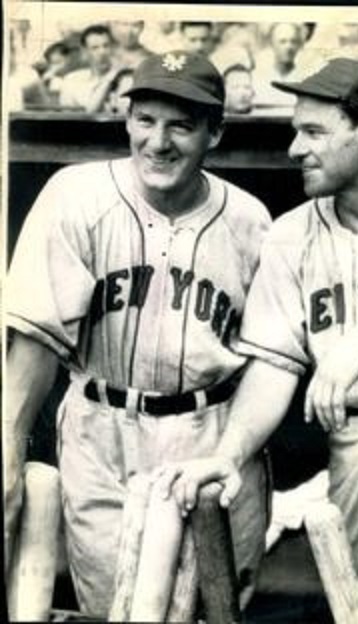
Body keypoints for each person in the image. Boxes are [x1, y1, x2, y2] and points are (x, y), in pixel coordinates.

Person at [157, 57, 358, 623]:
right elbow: (274, 365)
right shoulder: (293, 234)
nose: (295, 148)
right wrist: (227, 455)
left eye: (314, 131)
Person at [4, 51, 271, 618]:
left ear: (215, 133)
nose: (158, 141)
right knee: (116, 606)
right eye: (145, 120)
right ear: (126, 121)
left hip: (211, 431)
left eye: (181, 124)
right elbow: (34, 341)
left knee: (217, 612)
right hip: (105, 435)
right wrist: (8, 444)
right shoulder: (74, 196)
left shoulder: (251, 222)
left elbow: (273, 361)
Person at [59, 24, 122, 113]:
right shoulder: (71, 80)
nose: (102, 52)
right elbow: (68, 118)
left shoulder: (125, 79)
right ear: (85, 51)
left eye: (106, 46)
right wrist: (110, 78)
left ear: (113, 48)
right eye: (95, 48)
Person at [252, 22, 305, 107]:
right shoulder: (257, 79)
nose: (289, 47)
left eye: (293, 41)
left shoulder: (306, 78)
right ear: (272, 44)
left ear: (299, 45)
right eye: (282, 41)